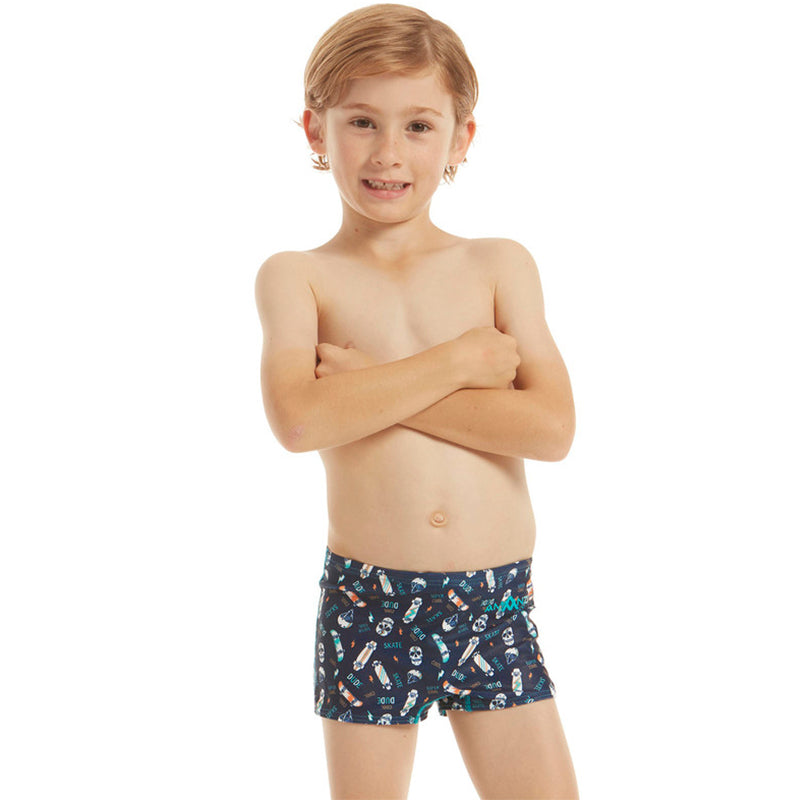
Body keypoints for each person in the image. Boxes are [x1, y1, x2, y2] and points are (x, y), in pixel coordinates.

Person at [254, 4, 579, 798]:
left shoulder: (499, 265)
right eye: (362, 121)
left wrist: (370, 383)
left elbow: (550, 429)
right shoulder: (299, 276)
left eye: (419, 126)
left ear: (461, 139)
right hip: (369, 597)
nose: (388, 153)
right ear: (316, 130)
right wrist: (459, 363)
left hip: (492, 600)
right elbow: (301, 419)